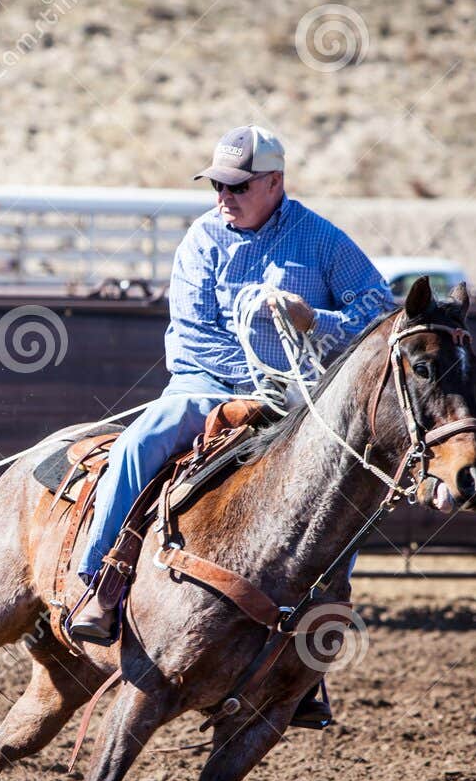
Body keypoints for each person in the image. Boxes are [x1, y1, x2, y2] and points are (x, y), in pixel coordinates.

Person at [65, 125, 395, 727]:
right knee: (139, 444)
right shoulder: (202, 240)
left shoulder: (322, 239)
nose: (224, 195)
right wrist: (250, 392)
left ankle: (310, 644)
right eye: (218, 183)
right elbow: (193, 335)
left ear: (275, 183)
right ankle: (99, 580)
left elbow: (379, 309)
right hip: (205, 389)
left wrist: (313, 319)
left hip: (298, 399)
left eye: (238, 185)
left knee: (342, 493)